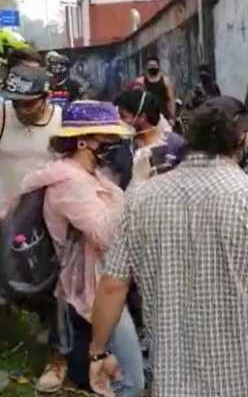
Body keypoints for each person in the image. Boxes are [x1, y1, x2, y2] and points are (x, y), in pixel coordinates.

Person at [88, 96, 248, 397]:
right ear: (243, 139)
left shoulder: (141, 198)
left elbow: (112, 285)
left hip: (173, 380)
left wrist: (98, 352)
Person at [17, 101, 143, 395]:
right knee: (130, 382)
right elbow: (106, 235)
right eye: (108, 140)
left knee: (112, 378)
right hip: (93, 292)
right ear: (83, 141)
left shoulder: (91, 176)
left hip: (105, 283)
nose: (115, 146)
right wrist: (137, 183)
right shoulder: (69, 184)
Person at [0, 65, 62, 214]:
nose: (21, 110)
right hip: (4, 214)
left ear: (46, 97)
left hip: (45, 216)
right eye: (16, 103)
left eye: (28, 104)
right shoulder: (3, 116)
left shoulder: (61, 120)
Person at [116, 89, 186, 185]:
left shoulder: (174, 145)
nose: (119, 121)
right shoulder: (124, 145)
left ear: (142, 117)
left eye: (123, 116)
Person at [136, 57, 176, 126]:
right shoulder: (141, 81)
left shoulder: (165, 81)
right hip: (147, 117)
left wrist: (171, 117)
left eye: (154, 66)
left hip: (163, 115)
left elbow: (171, 100)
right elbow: (137, 100)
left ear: (158, 67)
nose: (152, 67)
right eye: (150, 66)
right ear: (146, 67)